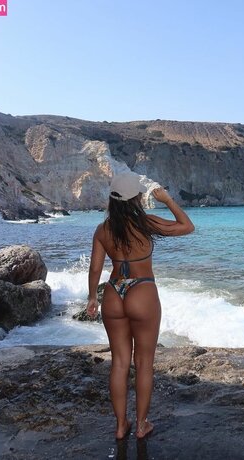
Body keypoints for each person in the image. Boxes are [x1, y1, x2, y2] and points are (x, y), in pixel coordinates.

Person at [86, 172, 195, 440]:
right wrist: (167, 200)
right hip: (142, 292)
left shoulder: (103, 230)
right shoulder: (146, 223)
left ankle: (120, 426)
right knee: (144, 363)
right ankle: (142, 424)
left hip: (113, 293)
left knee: (119, 362)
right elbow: (187, 226)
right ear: (135, 198)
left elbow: (95, 268)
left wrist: (92, 298)